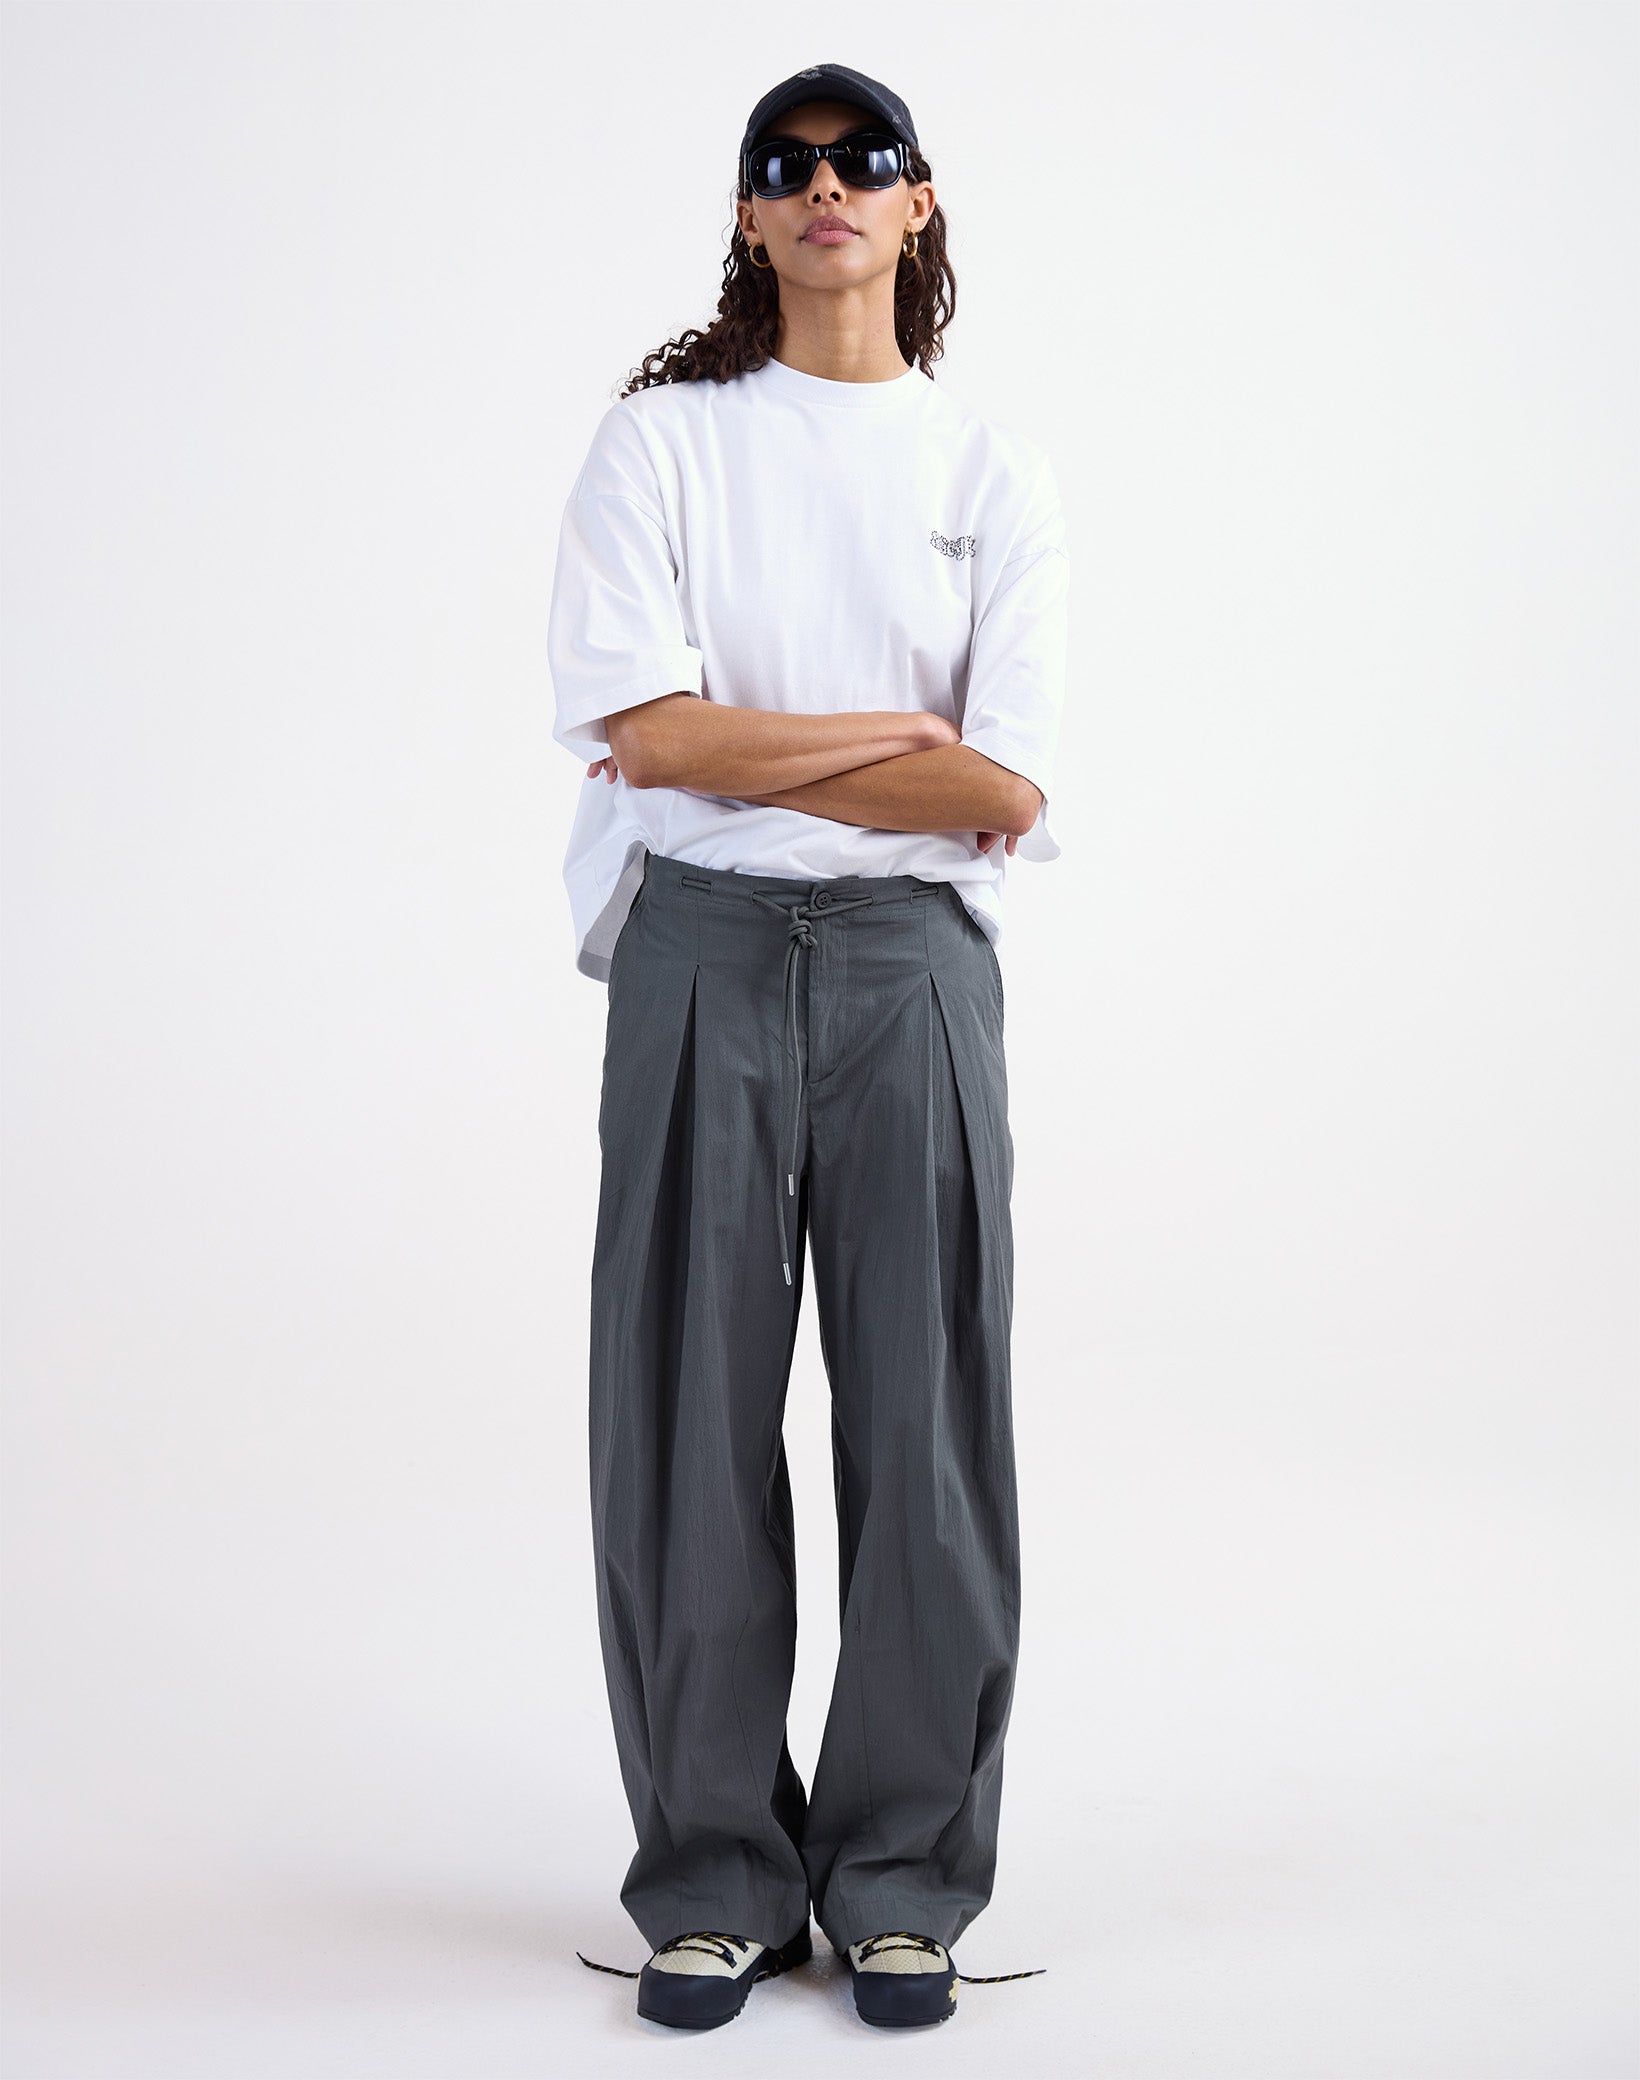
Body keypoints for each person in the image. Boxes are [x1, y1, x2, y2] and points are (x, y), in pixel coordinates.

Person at [548, 61, 1067, 2032]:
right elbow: (643, 737)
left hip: (910, 971)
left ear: (919, 203)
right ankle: (712, 1880)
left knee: (926, 1433)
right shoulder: (664, 443)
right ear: (752, 214)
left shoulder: (988, 474)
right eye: (788, 163)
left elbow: (1001, 796)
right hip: (695, 948)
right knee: (682, 1415)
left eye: (866, 160)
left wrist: (750, 747)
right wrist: (891, 741)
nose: (827, 184)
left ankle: (903, 1879)